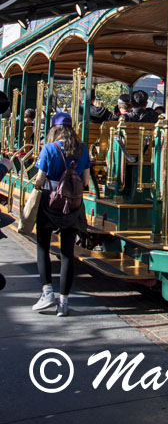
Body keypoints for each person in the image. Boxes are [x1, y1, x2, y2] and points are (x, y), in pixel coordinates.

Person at [32, 112, 90, 316]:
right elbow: (86, 182)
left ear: (54, 129)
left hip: (50, 201)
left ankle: (47, 292)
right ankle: (64, 303)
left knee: (43, 247)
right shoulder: (83, 150)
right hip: (73, 204)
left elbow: (39, 180)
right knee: (67, 253)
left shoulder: (49, 148)